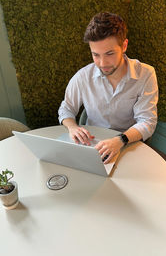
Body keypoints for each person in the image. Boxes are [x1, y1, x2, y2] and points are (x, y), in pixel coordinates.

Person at [58, 12, 158, 164]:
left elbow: (147, 122)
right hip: (92, 144)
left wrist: (120, 140)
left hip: (127, 143)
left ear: (124, 45)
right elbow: (66, 109)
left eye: (109, 53)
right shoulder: (83, 76)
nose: (102, 63)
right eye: (95, 55)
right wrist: (72, 127)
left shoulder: (146, 74)